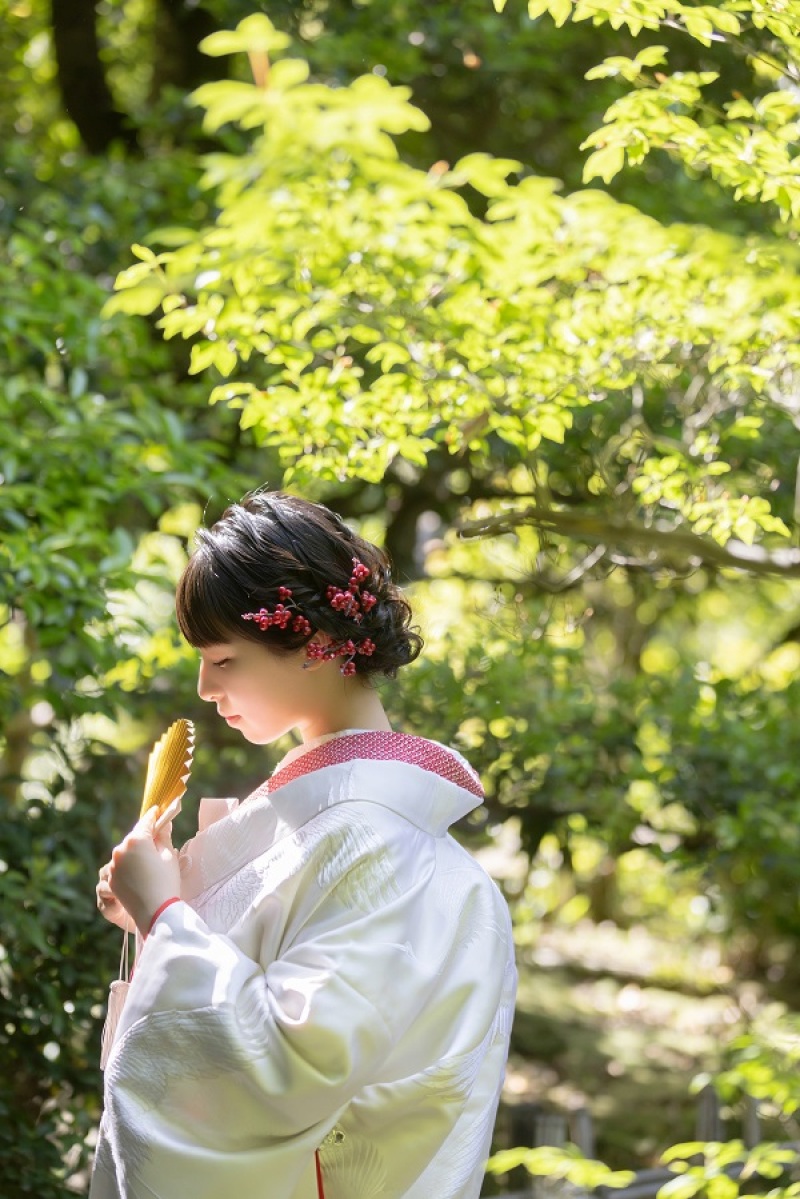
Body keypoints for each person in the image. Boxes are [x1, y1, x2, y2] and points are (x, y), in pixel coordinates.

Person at [92, 490, 517, 1199]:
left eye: (223, 659)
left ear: (316, 644)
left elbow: (286, 1066)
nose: (204, 686)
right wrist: (154, 912)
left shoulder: (375, 837)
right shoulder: (331, 818)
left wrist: (169, 916)